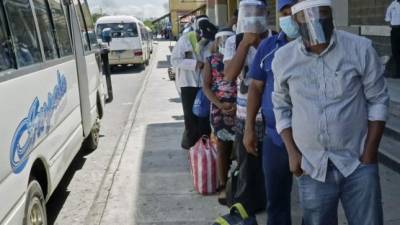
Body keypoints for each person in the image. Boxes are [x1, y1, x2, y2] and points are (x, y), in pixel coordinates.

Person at [272, 0, 390, 224]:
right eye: (307, 15)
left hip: (357, 163)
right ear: (296, 21)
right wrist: (293, 153)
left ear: (332, 15)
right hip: (312, 166)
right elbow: (281, 106)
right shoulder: (284, 58)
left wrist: (370, 153)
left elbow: (378, 100)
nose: (315, 19)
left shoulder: (360, 48)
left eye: (322, 13)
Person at [244, 0, 298, 224]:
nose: (288, 17)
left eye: (293, 11)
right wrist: (249, 128)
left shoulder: (316, 46)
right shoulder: (268, 47)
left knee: (317, 205)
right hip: (275, 139)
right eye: (283, 13)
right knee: (276, 202)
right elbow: (255, 88)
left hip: (311, 141)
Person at [223, 0, 273, 214]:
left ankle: (268, 203)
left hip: (271, 116)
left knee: (270, 169)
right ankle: (246, 209)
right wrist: (244, 44)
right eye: (248, 12)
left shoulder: (275, 39)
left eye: (257, 12)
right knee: (247, 167)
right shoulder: (233, 42)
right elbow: (229, 75)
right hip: (244, 116)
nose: (252, 17)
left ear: (266, 14)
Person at [171, 15, 217, 150]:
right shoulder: (185, 40)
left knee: (204, 118)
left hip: (204, 86)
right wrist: (195, 64)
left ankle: (205, 148)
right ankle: (192, 148)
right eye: (201, 36)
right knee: (191, 119)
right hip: (188, 85)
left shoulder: (210, 41)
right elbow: (175, 60)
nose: (203, 40)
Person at [202, 28, 237, 205]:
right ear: (216, 42)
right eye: (221, 40)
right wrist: (220, 104)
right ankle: (223, 185)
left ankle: (241, 185)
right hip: (219, 110)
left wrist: (237, 105)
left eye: (228, 40)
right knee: (222, 148)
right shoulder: (211, 60)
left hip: (240, 109)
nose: (224, 44)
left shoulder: (240, 58)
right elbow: (206, 87)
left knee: (244, 149)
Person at [386, 0, 400, 78]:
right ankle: (398, 73)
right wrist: (392, 25)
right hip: (395, 30)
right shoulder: (393, 4)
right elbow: (387, 17)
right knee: (395, 51)